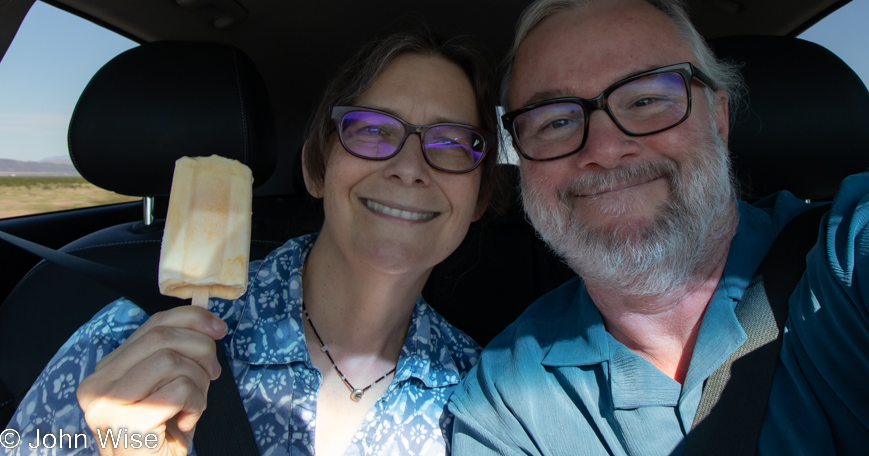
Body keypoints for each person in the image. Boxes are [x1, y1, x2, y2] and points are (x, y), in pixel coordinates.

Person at [447, 0, 869, 455]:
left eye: (646, 99)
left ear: (720, 117)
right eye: (555, 121)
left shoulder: (865, 245)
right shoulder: (506, 398)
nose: (604, 147)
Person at [8, 30, 503, 456]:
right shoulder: (136, 338)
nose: (410, 168)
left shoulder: (488, 404)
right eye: (372, 130)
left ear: (479, 199)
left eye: (453, 142)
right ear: (315, 166)